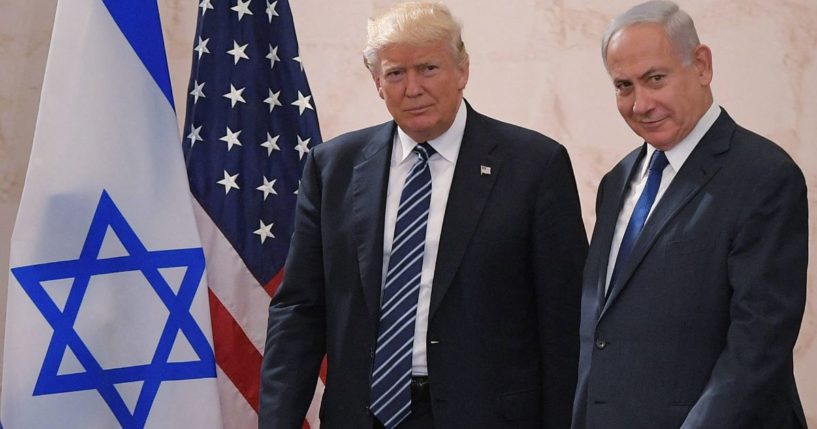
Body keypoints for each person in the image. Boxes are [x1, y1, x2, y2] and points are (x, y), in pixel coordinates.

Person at [259, 2, 588, 428]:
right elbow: (300, 310)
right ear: (377, 82)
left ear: (462, 70)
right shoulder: (333, 167)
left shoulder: (534, 166)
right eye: (396, 73)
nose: (412, 88)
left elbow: (564, 323)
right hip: (363, 415)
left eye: (429, 69)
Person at [572, 1, 809, 428]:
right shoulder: (616, 180)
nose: (640, 103)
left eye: (655, 79)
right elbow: (603, 332)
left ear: (701, 65)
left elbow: (757, 346)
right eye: (623, 86)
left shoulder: (764, 176)